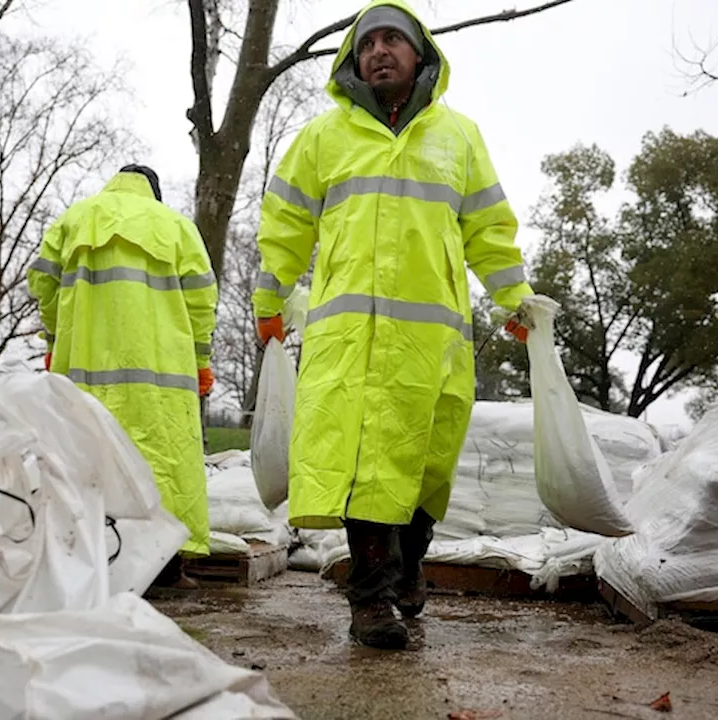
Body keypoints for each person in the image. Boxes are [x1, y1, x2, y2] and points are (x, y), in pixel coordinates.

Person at [252, 0, 539, 649]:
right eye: (368, 41)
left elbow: (489, 230)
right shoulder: (323, 137)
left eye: (392, 39)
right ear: (354, 59)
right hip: (349, 339)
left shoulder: (457, 137)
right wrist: (269, 303)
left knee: (426, 466)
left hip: (429, 340)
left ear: (419, 54)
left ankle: (411, 563)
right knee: (364, 468)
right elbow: (285, 228)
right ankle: (371, 603)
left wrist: (514, 298)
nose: (378, 50)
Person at [27, 164, 218, 590]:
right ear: (154, 191)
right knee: (163, 462)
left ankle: (89, 560)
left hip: (85, 371)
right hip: (160, 376)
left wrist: (56, 340)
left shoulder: (74, 219)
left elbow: (43, 284)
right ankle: (165, 567)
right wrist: (201, 359)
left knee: (85, 460)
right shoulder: (176, 227)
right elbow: (202, 300)